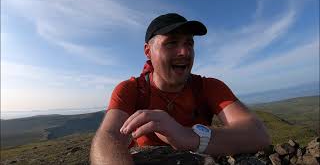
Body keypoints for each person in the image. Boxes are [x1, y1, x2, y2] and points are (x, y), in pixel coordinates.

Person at [90, 13, 271, 165]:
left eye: (189, 43)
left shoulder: (209, 87)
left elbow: (258, 134)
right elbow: (109, 138)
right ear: (148, 51)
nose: (184, 51)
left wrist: (187, 136)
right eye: (172, 43)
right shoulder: (131, 89)